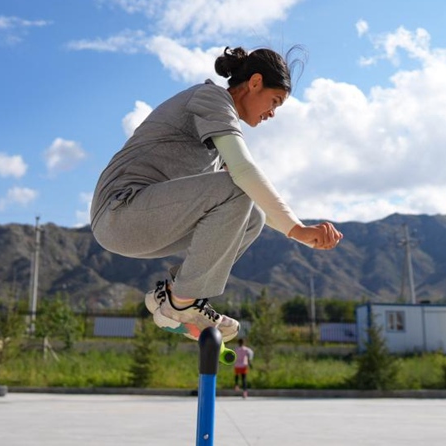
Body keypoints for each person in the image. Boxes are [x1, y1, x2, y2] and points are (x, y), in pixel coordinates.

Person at [90, 46, 342, 341]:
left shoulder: (217, 129)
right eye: (274, 101)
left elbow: (241, 192)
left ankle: (173, 295)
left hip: (144, 224)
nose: (272, 113)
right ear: (255, 82)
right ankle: (182, 303)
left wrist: (296, 233)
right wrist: (296, 229)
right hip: (120, 212)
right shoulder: (211, 98)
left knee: (253, 218)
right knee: (236, 185)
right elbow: (243, 172)